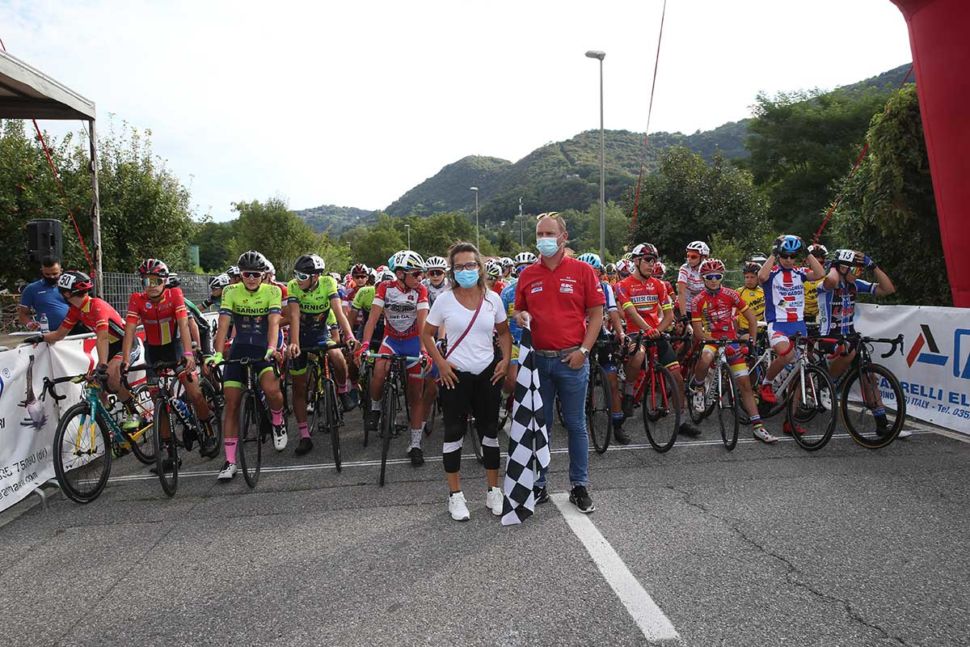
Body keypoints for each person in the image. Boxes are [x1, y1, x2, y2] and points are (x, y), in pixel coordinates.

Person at [513, 212, 604, 513]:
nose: (544, 240)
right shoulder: (527, 274)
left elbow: (597, 314)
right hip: (538, 361)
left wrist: (585, 351)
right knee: (542, 426)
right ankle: (539, 485)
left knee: (577, 425)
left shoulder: (582, 271)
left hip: (572, 360)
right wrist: (520, 317)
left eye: (550, 234)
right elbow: (519, 311)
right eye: (540, 234)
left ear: (564, 237)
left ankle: (579, 485)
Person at [422, 242, 511, 521]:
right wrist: (441, 362)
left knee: (489, 432)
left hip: (487, 373)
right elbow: (426, 334)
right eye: (459, 266)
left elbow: (504, 333)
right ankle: (455, 495)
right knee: (454, 432)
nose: (465, 271)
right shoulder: (445, 300)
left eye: (470, 265)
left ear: (480, 267)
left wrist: (505, 360)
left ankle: (493, 490)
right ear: (452, 270)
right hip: (455, 374)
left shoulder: (493, 299)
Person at [122, 259, 215, 463]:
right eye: (147, 281)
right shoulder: (137, 299)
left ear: (164, 281)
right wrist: (126, 360)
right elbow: (129, 330)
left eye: (156, 281)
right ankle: (170, 452)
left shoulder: (175, 295)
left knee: (194, 393)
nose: (151, 286)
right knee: (158, 401)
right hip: (153, 351)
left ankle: (208, 432)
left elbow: (183, 324)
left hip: (176, 348)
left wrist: (189, 354)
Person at [205, 251, 286, 481]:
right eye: (246, 274)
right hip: (240, 348)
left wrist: (272, 348)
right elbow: (223, 325)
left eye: (256, 274)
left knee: (272, 390)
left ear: (263, 275)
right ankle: (230, 461)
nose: (251, 278)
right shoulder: (231, 291)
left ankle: (278, 420)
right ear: (240, 275)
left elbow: (273, 323)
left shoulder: (273, 291)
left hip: (262, 347)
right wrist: (219, 353)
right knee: (231, 403)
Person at [817, 249, 906, 438]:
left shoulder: (855, 285)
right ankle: (827, 384)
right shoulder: (826, 284)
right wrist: (835, 266)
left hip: (849, 336)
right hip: (828, 335)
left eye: (860, 271)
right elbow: (832, 280)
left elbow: (888, 289)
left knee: (870, 377)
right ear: (841, 268)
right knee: (848, 349)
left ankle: (882, 423)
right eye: (855, 270)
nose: (858, 274)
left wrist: (872, 265)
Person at [615, 243, 701, 438]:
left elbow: (670, 316)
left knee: (677, 377)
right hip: (637, 332)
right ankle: (628, 394)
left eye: (654, 260)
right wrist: (648, 330)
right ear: (636, 261)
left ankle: (682, 421)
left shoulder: (659, 284)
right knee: (637, 357)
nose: (651, 264)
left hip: (656, 332)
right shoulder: (622, 285)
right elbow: (631, 312)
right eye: (647, 260)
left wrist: (657, 330)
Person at [356, 250, 431, 466]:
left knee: (415, 394)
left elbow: (423, 325)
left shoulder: (421, 291)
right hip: (391, 340)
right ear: (400, 274)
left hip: (412, 341)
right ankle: (376, 408)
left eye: (421, 274)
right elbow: (372, 320)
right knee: (379, 371)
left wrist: (425, 352)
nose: (420, 278)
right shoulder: (384, 288)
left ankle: (415, 444)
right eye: (416, 274)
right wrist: (365, 346)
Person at [689, 259, 777, 444]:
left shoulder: (731, 295)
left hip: (731, 341)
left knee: (744, 383)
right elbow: (697, 331)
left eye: (717, 276)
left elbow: (751, 319)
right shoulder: (698, 300)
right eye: (709, 277)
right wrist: (710, 338)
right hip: (712, 339)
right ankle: (698, 387)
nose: (713, 280)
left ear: (722, 277)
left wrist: (751, 340)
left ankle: (758, 426)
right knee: (705, 358)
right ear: (703, 278)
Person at [32, 271, 139, 411]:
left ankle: (132, 411)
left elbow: (103, 337)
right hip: (110, 347)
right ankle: (108, 421)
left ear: (66, 294)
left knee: (111, 377)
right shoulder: (75, 310)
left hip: (126, 344)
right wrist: (40, 337)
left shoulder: (97, 305)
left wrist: (102, 364)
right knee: (93, 384)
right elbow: (59, 335)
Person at [286, 254, 358, 456]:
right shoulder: (293, 286)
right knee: (299, 387)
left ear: (315, 277)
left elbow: (338, 310)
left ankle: (342, 391)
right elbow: (294, 316)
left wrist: (350, 336)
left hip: (320, 334)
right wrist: (294, 343)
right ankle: (304, 436)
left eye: (302, 276)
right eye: (296, 275)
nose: (298, 279)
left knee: (337, 356)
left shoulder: (328, 283)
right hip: (300, 335)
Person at [756, 235, 826, 435]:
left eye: (792, 256)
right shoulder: (773, 272)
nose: (788, 259)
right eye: (784, 256)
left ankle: (790, 421)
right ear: (779, 256)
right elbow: (761, 277)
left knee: (798, 376)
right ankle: (767, 384)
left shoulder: (800, 272)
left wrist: (807, 251)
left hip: (799, 326)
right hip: (778, 324)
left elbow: (820, 273)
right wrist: (774, 251)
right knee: (786, 355)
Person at [577, 253, 628, 444]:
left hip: (600, 331)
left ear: (600, 272)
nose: (591, 274)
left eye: (594, 271)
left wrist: (621, 333)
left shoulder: (605, 287)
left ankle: (617, 424)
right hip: (579, 331)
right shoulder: (575, 287)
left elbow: (613, 313)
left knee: (612, 380)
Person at [18, 257, 70, 333]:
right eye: (47, 274)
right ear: (42, 271)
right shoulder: (31, 289)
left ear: (61, 271)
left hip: (73, 332)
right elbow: (23, 314)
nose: (51, 277)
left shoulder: (70, 286)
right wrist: (29, 324)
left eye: (55, 274)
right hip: (47, 334)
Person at [677, 241, 710, 319]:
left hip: (703, 308)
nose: (689, 259)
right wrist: (683, 316)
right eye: (688, 256)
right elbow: (681, 292)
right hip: (686, 307)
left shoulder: (708, 268)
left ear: (703, 257)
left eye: (693, 256)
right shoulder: (685, 268)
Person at [735, 262, 765, 338]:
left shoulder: (764, 291)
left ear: (758, 278)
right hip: (745, 330)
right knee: (748, 340)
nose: (749, 280)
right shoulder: (738, 292)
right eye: (747, 277)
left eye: (752, 277)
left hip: (763, 329)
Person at [803, 244, 828, 326]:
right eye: (814, 262)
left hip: (821, 318)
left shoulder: (828, 279)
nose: (817, 265)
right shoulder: (798, 275)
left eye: (820, 262)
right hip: (799, 318)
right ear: (807, 261)